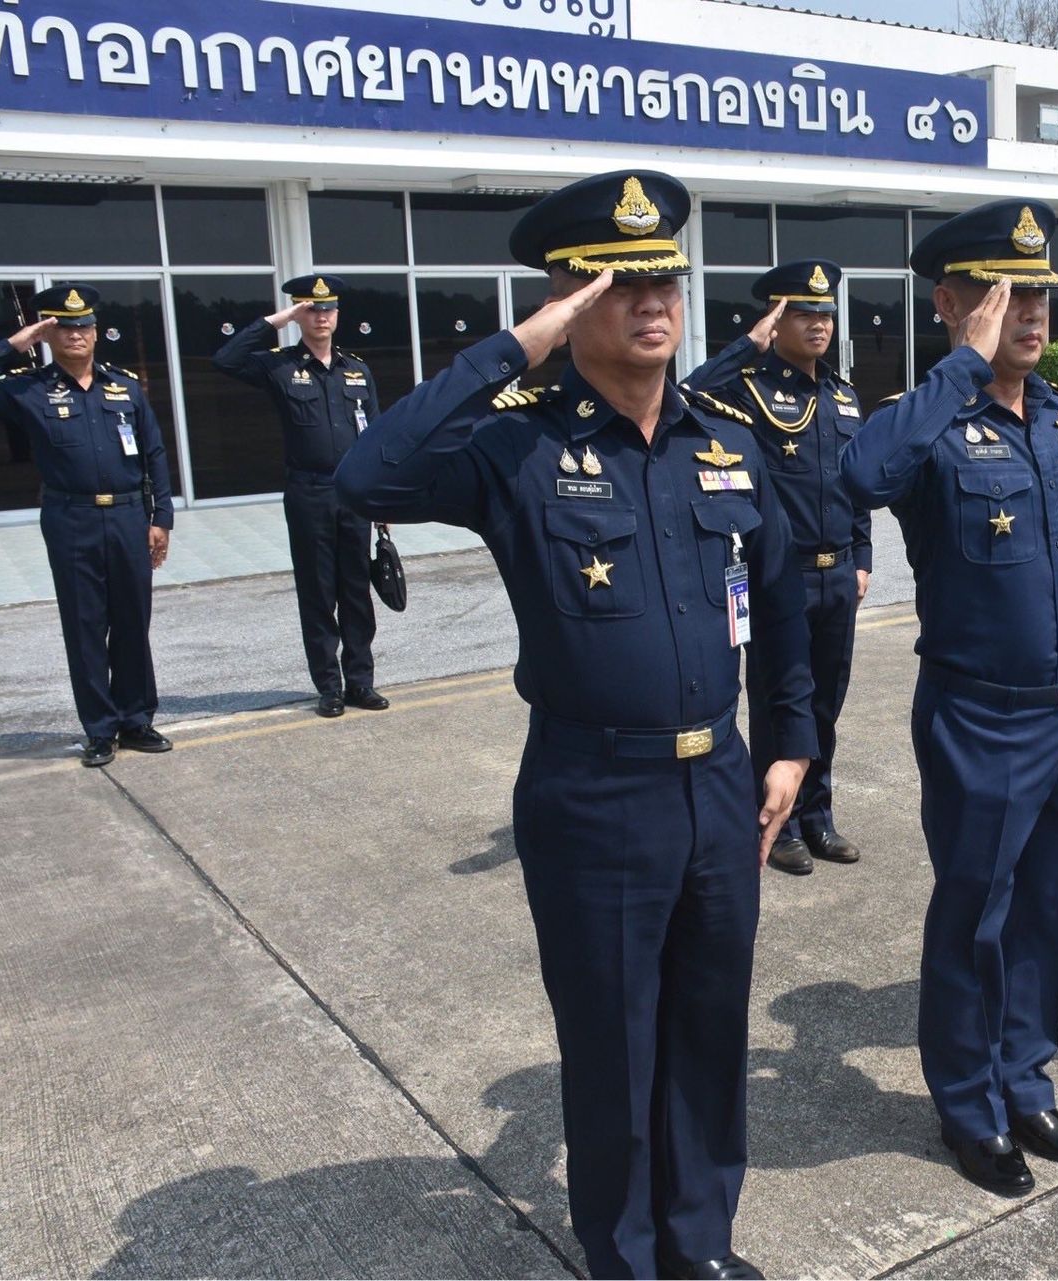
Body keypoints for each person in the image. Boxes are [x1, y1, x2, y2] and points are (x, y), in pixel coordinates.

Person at [334, 169, 812, 1281]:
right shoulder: (517, 447)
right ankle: (627, 1260)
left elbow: (785, 599)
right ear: (567, 299)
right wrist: (517, 348)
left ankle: (699, 1245)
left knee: (708, 1036)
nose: (652, 304)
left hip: (720, 786)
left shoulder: (725, 443)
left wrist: (791, 742)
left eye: (666, 283)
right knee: (614, 1050)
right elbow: (365, 476)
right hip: (594, 796)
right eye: (619, 285)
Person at [841, 199, 1058, 1194]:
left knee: (1050, 912)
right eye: (1001, 295)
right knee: (975, 917)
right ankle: (969, 1106)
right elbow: (863, 473)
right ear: (949, 303)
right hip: (981, 717)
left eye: (1037, 294)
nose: (1027, 313)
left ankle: (1024, 1081)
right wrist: (963, 364)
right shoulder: (931, 423)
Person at [683, 260, 872, 876]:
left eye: (826, 314)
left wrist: (863, 556)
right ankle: (776, 822)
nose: (819, 325)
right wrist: (749, 345)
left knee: (825, 703)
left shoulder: (842, 395)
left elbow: (855, 485)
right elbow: (686, 396)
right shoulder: (748, 388)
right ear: (775, 319)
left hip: (838, 574)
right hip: (777, 577)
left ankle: (816, 815)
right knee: (776, 701)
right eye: (803, 313)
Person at [0, 285, 173, 766]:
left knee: (132, 621)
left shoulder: (124, 386)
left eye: (83, 326)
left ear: (95, 331)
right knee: (85, 626)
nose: (75, 335)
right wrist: (16, 343)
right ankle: (101, 729)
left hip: (129, 516)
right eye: (63, 327)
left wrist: (161, 517)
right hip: (71, 519)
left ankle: (136, 720)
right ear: (48, 334)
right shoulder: (28, 389)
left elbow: (154, 452)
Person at [215, 274, 388, 717]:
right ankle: (329, 687)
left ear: (338, 313)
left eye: (328, 308)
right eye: (311, 309)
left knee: (356, 590)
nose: (321, 316)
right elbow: (226, 359)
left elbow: (375, 435)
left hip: (354, 492)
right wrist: (276, 320)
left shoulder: (356, 369)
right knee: (318, 591)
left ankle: (361, 682)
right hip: (309, 492)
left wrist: (381, 496)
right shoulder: (279, 366)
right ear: (298, 313)